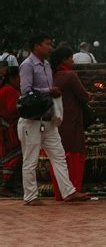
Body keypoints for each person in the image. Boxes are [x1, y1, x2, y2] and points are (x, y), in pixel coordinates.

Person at [17, 33, 89, 205]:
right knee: (30, 159)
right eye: (47, 44)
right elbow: (26, 92)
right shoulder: (27, 65)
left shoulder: (47, 65)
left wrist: (50, 92)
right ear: (36, 46)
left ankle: (68, 191)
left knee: (59, 156)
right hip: (32, 120)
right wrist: (49, 92)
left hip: (48, 118)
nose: (50, 47)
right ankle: (30, 196)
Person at [49, 47, 93, 201]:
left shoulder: (51, 76)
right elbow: (83, 96)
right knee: (74, 157)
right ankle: (73, 190)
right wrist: (89, 95)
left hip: (56, 121)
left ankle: (60, 191)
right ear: (64, 60)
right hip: (72, 121)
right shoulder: (70, 76)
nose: (73, 61)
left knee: (58, 158)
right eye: (70, 58)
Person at [0, 66, 22, 196]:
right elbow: (13, 109)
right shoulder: (10, 91)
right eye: (19, 77)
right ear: (13, 78)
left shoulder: (4, 89)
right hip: (8, 128)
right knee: (14, 156)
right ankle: (4, 186)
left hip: (5, 127)